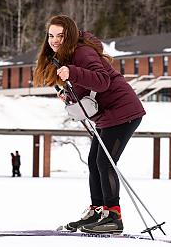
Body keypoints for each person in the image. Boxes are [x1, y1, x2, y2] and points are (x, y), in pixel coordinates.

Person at [33, 15, 146, 234]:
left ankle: (113, 216)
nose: (54, 40)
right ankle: (98, 211)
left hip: (124, 112)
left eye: (60, 35)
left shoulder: (82, 52)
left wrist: (73, 72)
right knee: (94, 162)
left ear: (70, 35)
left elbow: (102, 81)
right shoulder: (65, 55)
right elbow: (87, 88)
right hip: (107, 115)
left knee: (105, 162)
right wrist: (69, 96)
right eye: (51, 36)